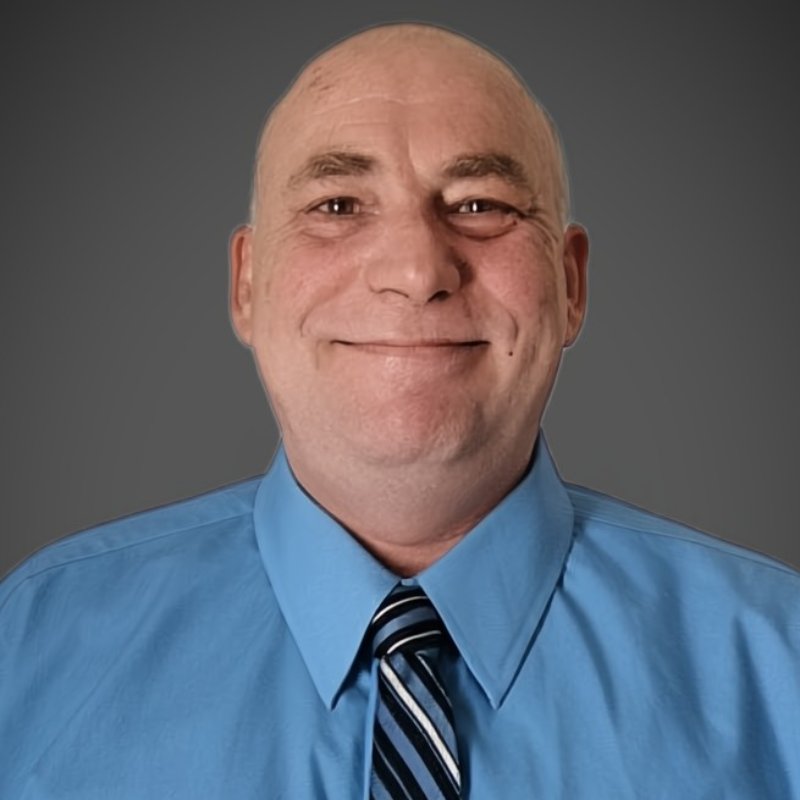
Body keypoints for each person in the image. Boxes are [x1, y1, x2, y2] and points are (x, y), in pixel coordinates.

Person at [1, 22, 797, 800]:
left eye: (481, 204)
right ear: (247, 283)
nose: (416, 271)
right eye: (339, 205)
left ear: (571, 284)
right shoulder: (31, 645)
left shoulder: (779, 660)